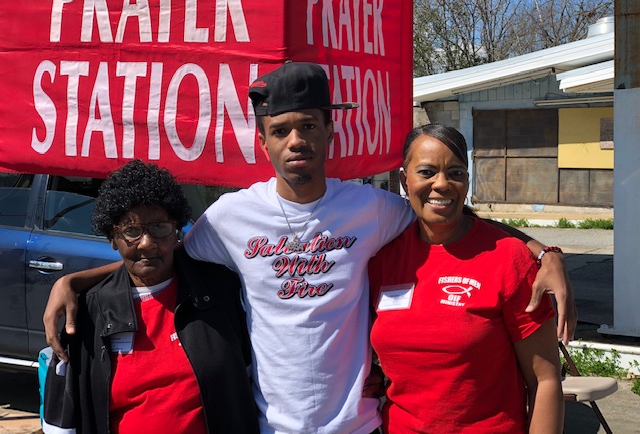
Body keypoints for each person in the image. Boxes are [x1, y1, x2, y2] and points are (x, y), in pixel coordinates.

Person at [43, 62, 574, 434]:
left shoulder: (372, 210)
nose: (296, 140)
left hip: (359, 425)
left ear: (329, 133)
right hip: (269, 425)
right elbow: (159, 254)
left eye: (308, 126)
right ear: (263, 141)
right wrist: (76, 281)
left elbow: (445, 210)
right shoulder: (230, 218)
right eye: (281, 130)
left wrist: (541, 249)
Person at [368, 124, 564, 433]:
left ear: (467, 181)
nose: (441, 184)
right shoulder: (382, 260)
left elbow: (545, 380)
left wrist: (549, 254)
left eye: (455, 173)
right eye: (427, 172)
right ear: (404, 180)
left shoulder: (508, 258)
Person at [42, 160, 258, 434]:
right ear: (113, 238)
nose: (147, 243)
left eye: (159, 227)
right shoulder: (89, 312)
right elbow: (63, 420)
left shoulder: (217, 293)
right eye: (131, 231)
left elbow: (248, 385)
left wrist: (70, 280)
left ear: (176, 231)